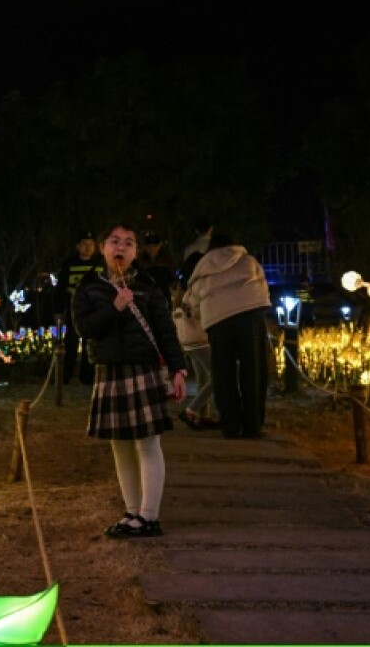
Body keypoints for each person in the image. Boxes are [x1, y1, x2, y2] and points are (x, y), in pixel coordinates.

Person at [73, 222, 187, 538]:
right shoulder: (89, 287)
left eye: (128, 243)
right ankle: (131, 512)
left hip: (142, 369)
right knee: (120, 445)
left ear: (135, 252)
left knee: (148, 443)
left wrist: (178, 369)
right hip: (108, 370)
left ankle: (149, 516)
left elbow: (165, 330)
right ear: (102, 248)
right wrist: (115, 307)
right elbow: (85, 329)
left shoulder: (148, 286)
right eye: (114, 241)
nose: (121, 247)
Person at [184, 234, 272, 439]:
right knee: (254, 371)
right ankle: (253, 425)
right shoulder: (249, 261)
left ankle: (231, 425)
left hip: (218, 320)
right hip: (251, 314)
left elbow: (192, 297)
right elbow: (263, 286)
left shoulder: (204, 266)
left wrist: (200, 313)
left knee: (223, 373)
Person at [171, 259, 217, 429]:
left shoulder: (179, 291)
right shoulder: (196, 289)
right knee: (218, 375)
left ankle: (202, 416)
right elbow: (199, 312)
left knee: (202, 378)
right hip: (199, 338)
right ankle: (191, 410)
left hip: (187, 340)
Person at [55, 231, 104, 385]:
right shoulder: (69, 264)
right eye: (84, 244)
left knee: (90, 344)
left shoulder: (100, 263)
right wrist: (57, 310)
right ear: (78, 246)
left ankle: (88, 377)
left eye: (91, 244)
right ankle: (65, 377)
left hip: (95, 310)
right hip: (73, 309)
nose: (88, 247)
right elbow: (60, 288)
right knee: (70, 343)